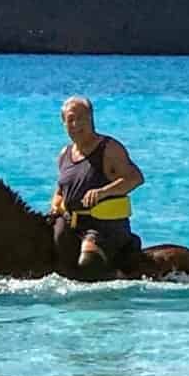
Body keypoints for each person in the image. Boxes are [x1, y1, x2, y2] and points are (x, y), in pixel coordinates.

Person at [50, 96, 145, 277]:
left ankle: (120, 276)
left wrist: (103, 192)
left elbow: (135, 178)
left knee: (88, 265)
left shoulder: (109, 148)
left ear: (91, 119)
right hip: (73, 225)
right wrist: (56, 205)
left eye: (81, 118)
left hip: (105, 226)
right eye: (70, 119)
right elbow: (60, 191)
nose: (76, 124)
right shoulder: (64, 154)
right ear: (63, 123)